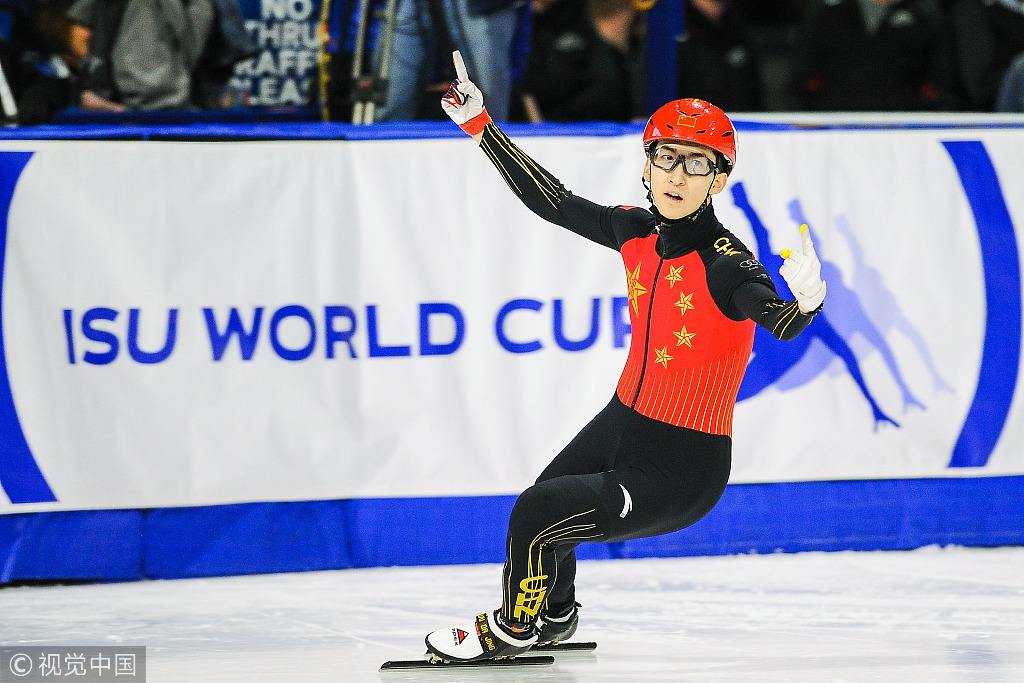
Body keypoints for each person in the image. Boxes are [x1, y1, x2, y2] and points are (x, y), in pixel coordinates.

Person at [420, 52, 827, 664]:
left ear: (718, 180)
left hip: (681, 468)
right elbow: (554, 202)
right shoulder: (636, 231)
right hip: (624, 421)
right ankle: (553, 615)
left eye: (696, 164)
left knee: (538, 514)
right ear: (645, 162)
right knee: (547, 494)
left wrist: (805, 304)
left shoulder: (725, 261)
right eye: (664, 156)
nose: (676, 175)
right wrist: (482, 127)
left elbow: (778, 320)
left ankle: (513, 627)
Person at [790, 0, 956, 111]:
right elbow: (804, 75)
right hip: (836, 124)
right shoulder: (828, 13)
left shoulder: (925, 15)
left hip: (904, 127)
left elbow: (941, 80)